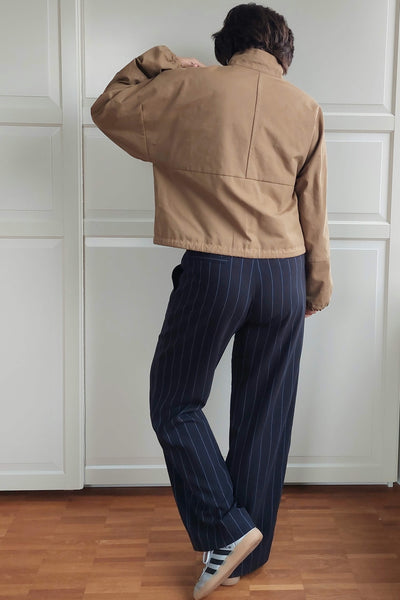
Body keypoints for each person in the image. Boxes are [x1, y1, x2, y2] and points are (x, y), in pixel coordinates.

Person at [90, 3, 333, 599]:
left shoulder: (187, 88)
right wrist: (315, 286)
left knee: (175, 401)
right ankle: (248, 553)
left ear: (228, 43)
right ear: (282, 51)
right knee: (266, 413)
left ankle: (227, 534)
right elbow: (314, 206)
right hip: (284, 272)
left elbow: (109, 108)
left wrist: (164, 62)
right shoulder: (305, 107)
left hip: (216, 269)